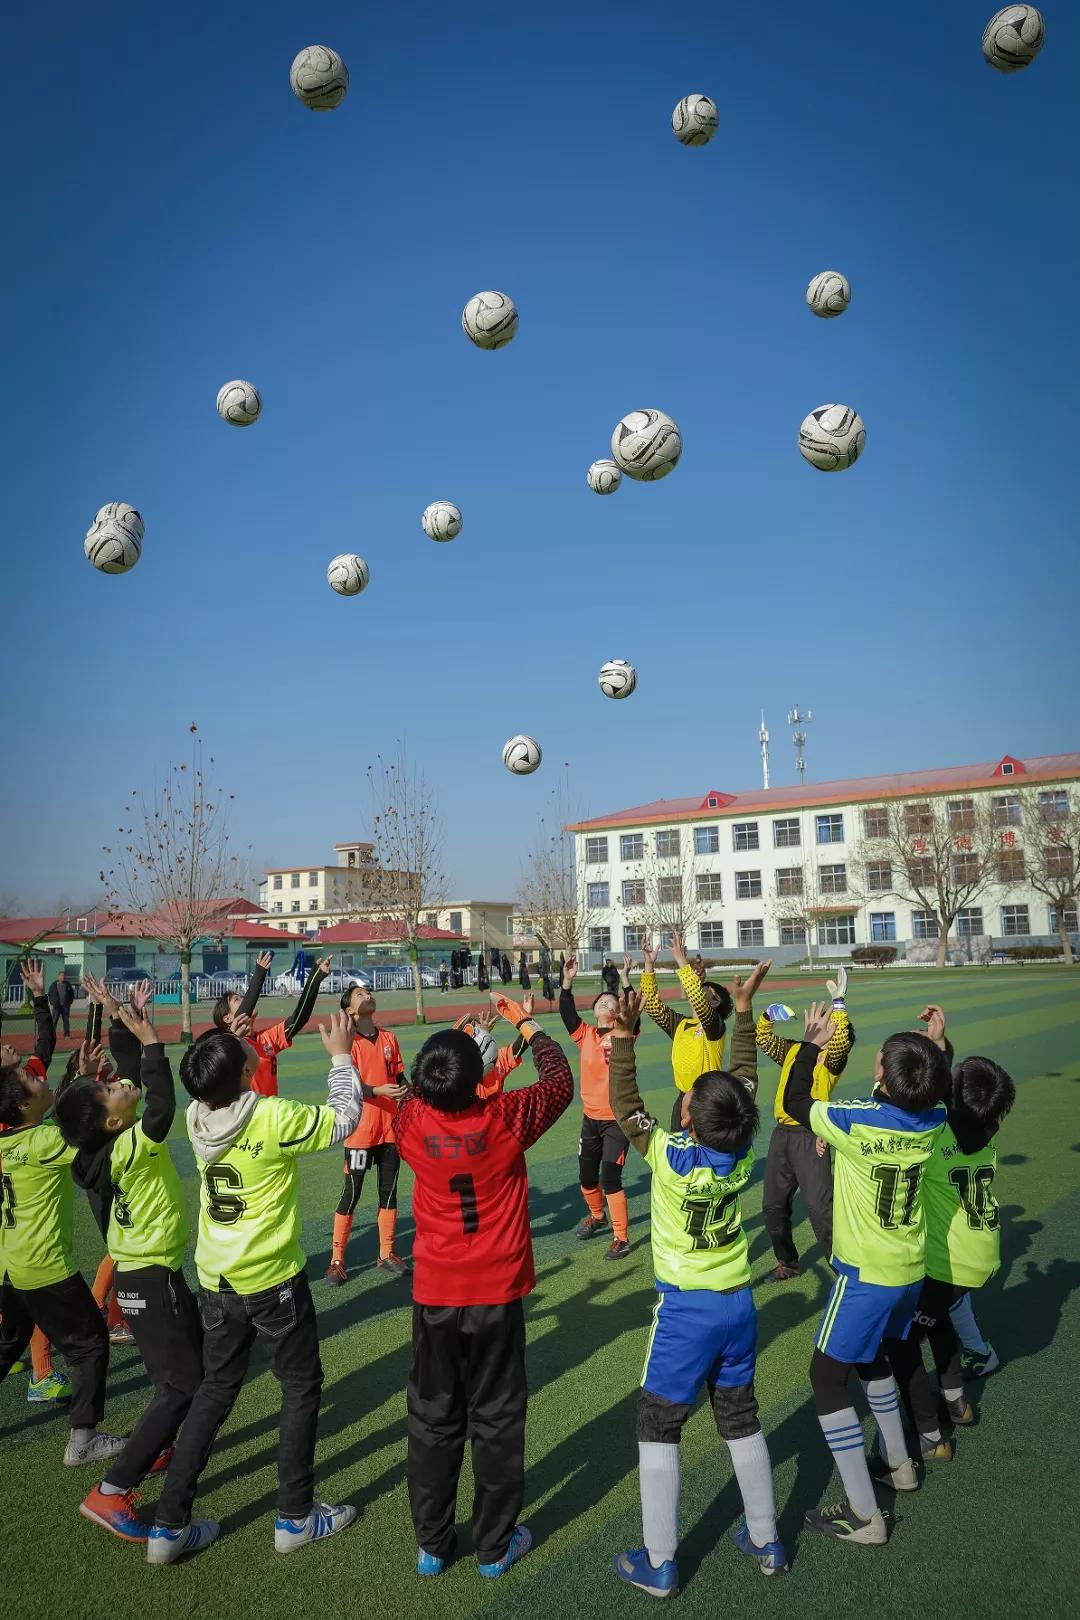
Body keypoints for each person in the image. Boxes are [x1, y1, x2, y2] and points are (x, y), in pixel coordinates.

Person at [148, 1011, 362, 1563]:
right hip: (271, 1278)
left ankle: (168, 1526)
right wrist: (342, 1056)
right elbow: (344, 1118)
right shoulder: (270, 1115)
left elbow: (220, 1074)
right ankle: (295, 1517)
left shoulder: (196, 1114)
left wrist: (224, 1048)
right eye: (243, 1049)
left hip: (216, 1277)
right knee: (300, 1386)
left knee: (215, 1390)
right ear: (246, 1073)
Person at [607, 966, 788, 1598]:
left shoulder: (670, 1156)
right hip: (739, 1304)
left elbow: (627, 1108)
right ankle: (766, 1538)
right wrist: (744, 1012)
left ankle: (659, 1562)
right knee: (739, 1417)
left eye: (691, 1097)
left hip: (687, 1312)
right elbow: (743, 1082)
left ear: (689, 1118)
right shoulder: (740, 1152)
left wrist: (623, 1039)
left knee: (658, 1423)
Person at [394, 992, 573, 1579]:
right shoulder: (504, 1117)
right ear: (480, 1080)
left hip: (436, 1294)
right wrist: (526, 1023)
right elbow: (559, 1080)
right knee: (496, 1419)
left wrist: (448, 1049)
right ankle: (494, 1547)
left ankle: (432, 1543)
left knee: (432, 1418)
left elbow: (414, 1092)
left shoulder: (411, 1121)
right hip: (495, 1293)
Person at [783, 1003, 949, 1546]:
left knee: (826, 1377)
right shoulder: (934, 1118)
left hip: (865, 1275)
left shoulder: (856, 1119)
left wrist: (811, 1044)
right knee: (873, 1356)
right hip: (909, 1270)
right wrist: (936, 1048)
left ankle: (863, 1514)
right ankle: (899, 1465)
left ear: (883, 1075)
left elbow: (796, 1102)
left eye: (880, 1058)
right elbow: (936, 1092)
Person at [55, 996, 201, 1544]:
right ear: (114, 1121)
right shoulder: (129, 1147)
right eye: (111, 1088)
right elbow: (159, 1106)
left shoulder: (98, 1151)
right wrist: (154, 1045)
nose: (121, 1082)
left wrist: (123, 1027)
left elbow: (132, 1093)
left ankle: (154, 1446)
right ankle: (111, 1491)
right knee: (182, 1385)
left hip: (142, 1278)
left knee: (179, 1377)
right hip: (152, 1278)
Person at [0, 961, 124, 1468]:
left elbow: (57, 1108)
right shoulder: (44, 1143)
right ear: (22, 1108)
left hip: (11, 1264)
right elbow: (86, 1125)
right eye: (32, 1082)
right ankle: (83, 1440)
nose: (37, 1077)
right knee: (92, 1344)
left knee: (8, 1342)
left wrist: (80, 1075)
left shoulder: (14, 1137)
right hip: (44, 1267)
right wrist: (96, 1082)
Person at [883, 1007, 1014, 1463]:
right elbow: (954, 1102)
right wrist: (940, 1045)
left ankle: (930, 1434)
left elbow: (921, 1101)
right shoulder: (987, 1131)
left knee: (901, 1343)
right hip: (980, 1253)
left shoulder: (935, 1133)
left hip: (948, 1260)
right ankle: (956, 1400)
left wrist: (935, 1050)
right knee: (938, 1321)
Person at [755, 967, 855, 1282]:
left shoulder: (833, 1058)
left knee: (820, 1210)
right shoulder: (795, 1050)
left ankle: (844, 1272)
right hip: (782, 1136)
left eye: (829, 1025)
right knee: (773, 1207)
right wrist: (768, 1016)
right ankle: (787, 1262)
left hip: (812, 1136)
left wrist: (838, 1005)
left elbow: (840, 1041)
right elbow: (763, 1038)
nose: (821, 1024)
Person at [324, 978, 410, 1283]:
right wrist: (377, 1091)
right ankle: (337, 1261)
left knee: (389, 1192)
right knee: (352, 1192)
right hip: (360, 1132)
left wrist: (410, 1094)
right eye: (359, 994)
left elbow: (400, 1078)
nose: (368, 995)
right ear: (349, 1009)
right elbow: (349, 1086)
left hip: (390, 1131)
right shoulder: (347, 1044)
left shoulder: (389, 1038)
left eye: (368, 992)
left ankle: (386, 1253)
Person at [559, 953, 632, 1259]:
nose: (604, 1002)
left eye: (610, 1001)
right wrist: (567, 981)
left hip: (618, 1120)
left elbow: (631, 1009)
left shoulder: (624, 1033)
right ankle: (597, 1216)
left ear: (618, 1011)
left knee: (610, 1179)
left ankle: (621, 1237)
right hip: (590, 1119)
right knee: (587, 1178)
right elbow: (567, 1013)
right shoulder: (585, 1035)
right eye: (600, 1000)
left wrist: (625, 981)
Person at [639, 933, 734, 1130]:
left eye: (706, 990)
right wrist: (648, 965)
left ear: (716, 1003)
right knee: (679, 1147)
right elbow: (652, 1005)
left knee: (705, 1147)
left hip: (707, 1098)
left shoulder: (714, 1026)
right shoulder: (681, 1024)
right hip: (682, 1100)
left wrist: (681, 960)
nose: (699, 990)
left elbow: (698, 999)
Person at [212, 950, 330, 1096]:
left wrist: (315, 979)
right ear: (227, 1019)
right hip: (249, 1111)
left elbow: (299, 1018)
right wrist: (259, 974)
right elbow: (244, 1013)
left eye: (243, 998)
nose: (245, 1000)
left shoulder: (266, 1038)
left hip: (271, 1110)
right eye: (237, 999)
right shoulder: (230, 1045)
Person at [49, 968, 76, 1037]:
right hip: (56, 1006)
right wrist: (53, 1003)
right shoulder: (54, 985)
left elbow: (71, 993)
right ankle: (51, 1035)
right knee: (54, 1020)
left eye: (64, 976)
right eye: (61, 976)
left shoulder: (68, 984)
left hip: (65, 1006)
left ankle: (66, 1035)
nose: (63, 977)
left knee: (66, 1021)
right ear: (58, 977)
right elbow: (50, 995)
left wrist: (70, 1002)